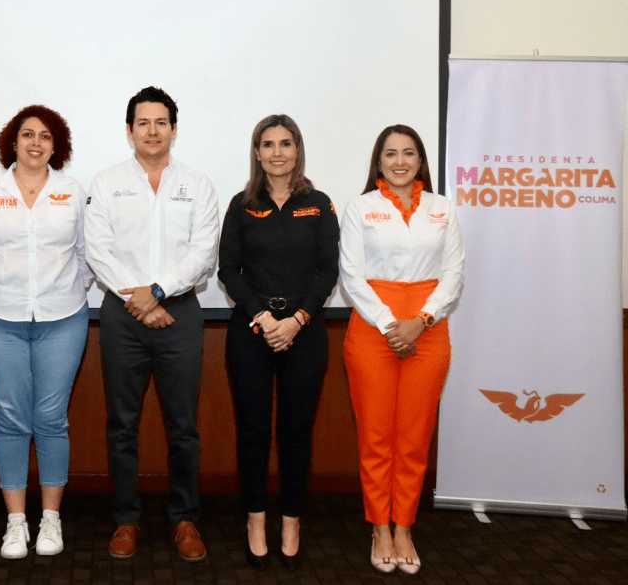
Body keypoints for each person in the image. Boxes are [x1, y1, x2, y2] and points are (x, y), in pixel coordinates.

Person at [85, 86, 220, 562]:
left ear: (174, 129)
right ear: (129, 131)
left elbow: (203, 253)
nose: (152, 131)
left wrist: (158, 292)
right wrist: (140, 301)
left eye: (161, 122)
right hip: (122, 315)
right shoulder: (106, 182)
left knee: (183, 426)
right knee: (122, 424)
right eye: (143, 123)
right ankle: (126, 519)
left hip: (179, 313)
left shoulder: (198, 184)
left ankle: (185, 518)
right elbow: (98, 251)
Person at [0, 105, 91, 559]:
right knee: (11, 419)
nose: (35, 143)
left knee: (52, 419)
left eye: (45, 136)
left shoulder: (72, 192)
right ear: (12, 142)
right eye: (27, 134)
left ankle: (51, 519)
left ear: (56, 146)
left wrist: (62, 290)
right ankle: (16, 523)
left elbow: (86, 255)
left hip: (63, 318)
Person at [339, 125, 464, 575]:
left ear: (420, 160)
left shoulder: (442, 208)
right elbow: (351, 275)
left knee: (413, 436)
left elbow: (454, 274)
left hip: (428, 328)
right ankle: (379, 526)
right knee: (376, 436)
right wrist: (392, 324)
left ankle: (404, 525)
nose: (400, 161)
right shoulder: (360, 208)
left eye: (408, 153)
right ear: (378, 161)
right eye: (390, 154)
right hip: (374, 327)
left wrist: (421, 320)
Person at [217, 115, 339, 570]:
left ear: (297, 150)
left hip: (305, 332)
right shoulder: (242, 204)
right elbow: (228, 270)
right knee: (253, 431)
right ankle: (255, 520)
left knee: (296, 432)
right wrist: (266, 318)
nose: (277, 152)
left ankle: (291, 521)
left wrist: (298, 320)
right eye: (267, 144)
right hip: (252, 330)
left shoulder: (318, 204)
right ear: (257, 152)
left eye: (285, 144)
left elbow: (328, 269)